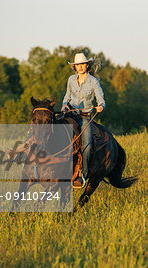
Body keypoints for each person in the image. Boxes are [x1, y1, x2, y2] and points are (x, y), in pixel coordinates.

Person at [62, 53, 106, 187]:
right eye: (77, 65)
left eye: (82, 64)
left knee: (87, 145)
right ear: (74, 67)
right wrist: (64, 104)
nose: (80, 67)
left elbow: (101, 100)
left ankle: (83, 174)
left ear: (87, 65)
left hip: (84, 117)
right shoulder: (70, 79)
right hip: (70, 114)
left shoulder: (93, 81)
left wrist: (100, 107)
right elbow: (67, 96)